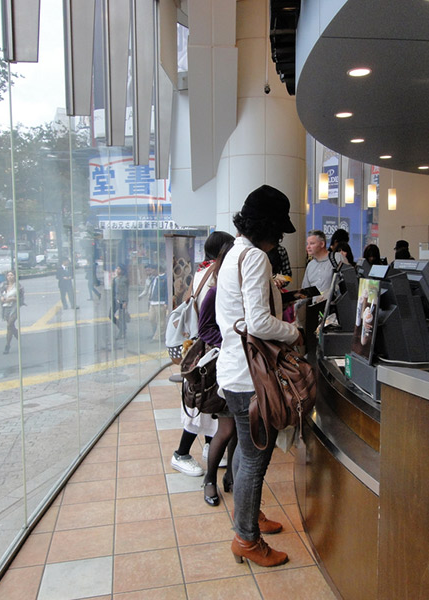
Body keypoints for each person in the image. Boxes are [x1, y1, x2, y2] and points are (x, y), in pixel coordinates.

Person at [215, 184, 301, 568]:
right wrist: (294, 332)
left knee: (246, 453)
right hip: (252, 378)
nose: (280, 237)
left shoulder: (233, 253)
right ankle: (246, 538)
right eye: (278, 229)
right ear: (267, 226)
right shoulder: (254, 259)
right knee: (255, 457)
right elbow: (259, 323)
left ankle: (248, 518)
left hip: (235, 373)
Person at [167, 232, 235, 496]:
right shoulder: (215, 278)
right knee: (202, 405)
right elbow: (213, 320)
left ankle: (208, 448)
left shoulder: (202, 272)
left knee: (207, 405)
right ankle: (181, 453)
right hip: (208, 350)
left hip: (201, 347)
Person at [302, 229, 344, 294]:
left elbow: (349, 283)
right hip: (316, 303)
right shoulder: (310, 265)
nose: (308, 247)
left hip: (335, 303)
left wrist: (329, 293)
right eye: (307, 244)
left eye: (312, 243)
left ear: (322, 244)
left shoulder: (337, 258)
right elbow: (305, 292)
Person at [138, 264, 167, 341]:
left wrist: (166, 302)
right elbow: (148, 289)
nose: (150, 272)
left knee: (161, 320)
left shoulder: (164, 278)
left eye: (152, 270)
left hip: (160, 302)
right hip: (152, 301)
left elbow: (167, 291)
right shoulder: (154, 278)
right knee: (152, 318)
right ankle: (157, 333)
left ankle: (158, 337)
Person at [0, 271, 23, 354]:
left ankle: (7, 345)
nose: (10, 277)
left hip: (14, 308)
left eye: (11, 275)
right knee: (11, 327)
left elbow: (20, 299)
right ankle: (19, 339)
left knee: (9, 325)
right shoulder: (4, 286)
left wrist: (13, 299)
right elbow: (2, 296)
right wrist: (2, 299)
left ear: (15, 276)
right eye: (8, 275)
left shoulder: (18, 286)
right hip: (6, 308)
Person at [113, 264, 130, 339]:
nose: (117, 270)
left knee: (121, 317)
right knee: (111, 315)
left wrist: (125, 302)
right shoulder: (115, 279)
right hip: (115, 300)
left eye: (119, 269)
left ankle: (122, 332)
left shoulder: (125, 279)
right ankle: (122, 328)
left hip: (122, 301)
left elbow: (126, 291)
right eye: (117, 268)